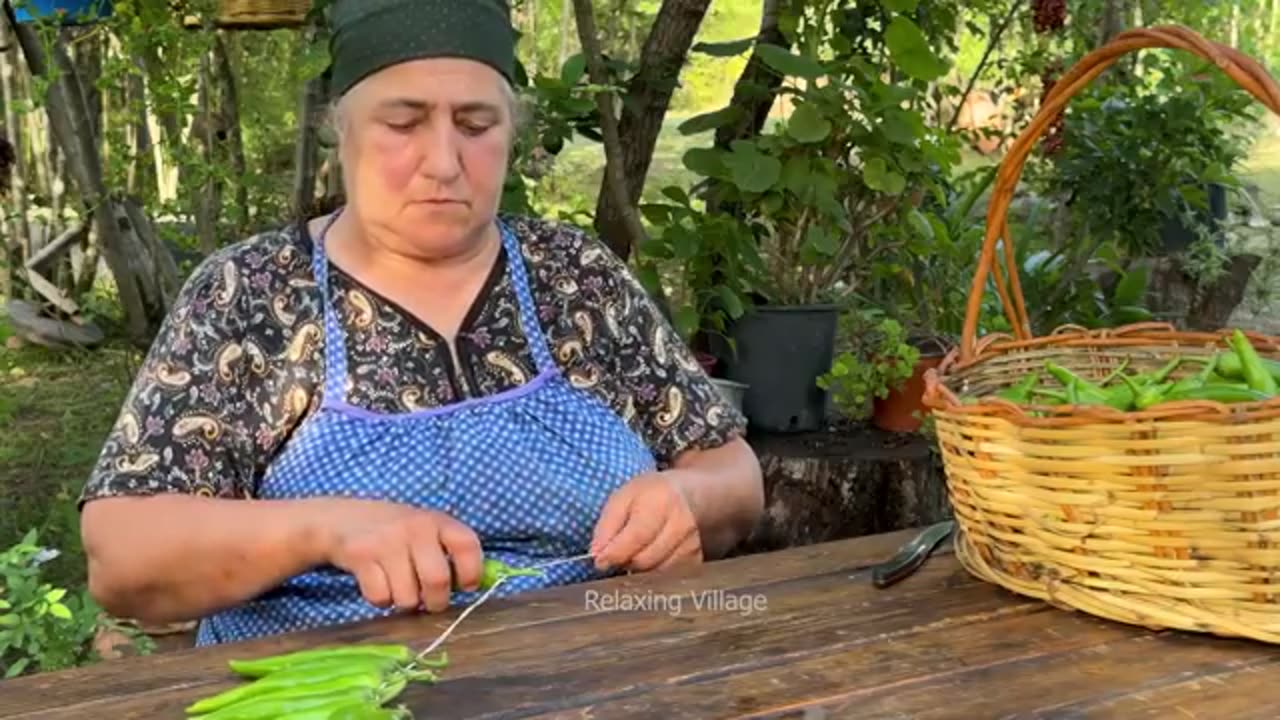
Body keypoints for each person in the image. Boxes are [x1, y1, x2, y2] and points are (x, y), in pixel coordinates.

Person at [77, 0, 764, 646]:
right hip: (333, 695)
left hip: (589, 678)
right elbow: (124, 558)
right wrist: (324, 529)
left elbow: (733, 475)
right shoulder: (250, 295)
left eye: (475, 125)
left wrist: (687, 499)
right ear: (339, 132)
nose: (443, 162)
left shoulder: (577, 276)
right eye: (403, 124)